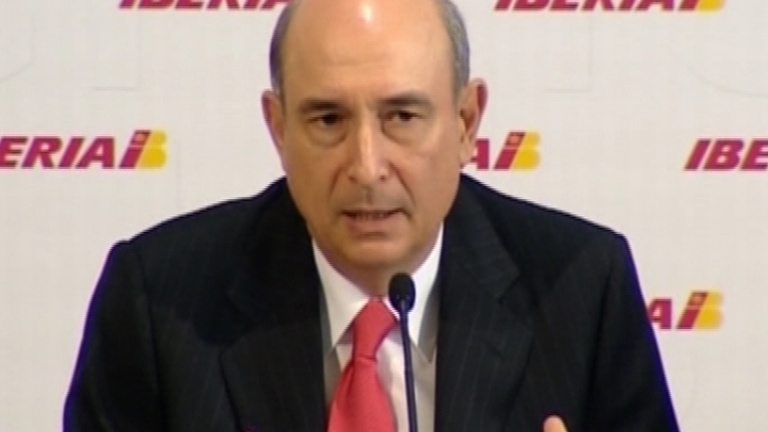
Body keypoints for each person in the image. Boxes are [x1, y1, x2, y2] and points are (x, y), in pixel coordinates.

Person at [63, 0, 679, 431]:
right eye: (328, 119)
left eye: (401, 117)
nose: (366, 166)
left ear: (466, 123)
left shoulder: (581, 289)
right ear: (278, 128)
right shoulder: (160, 302)